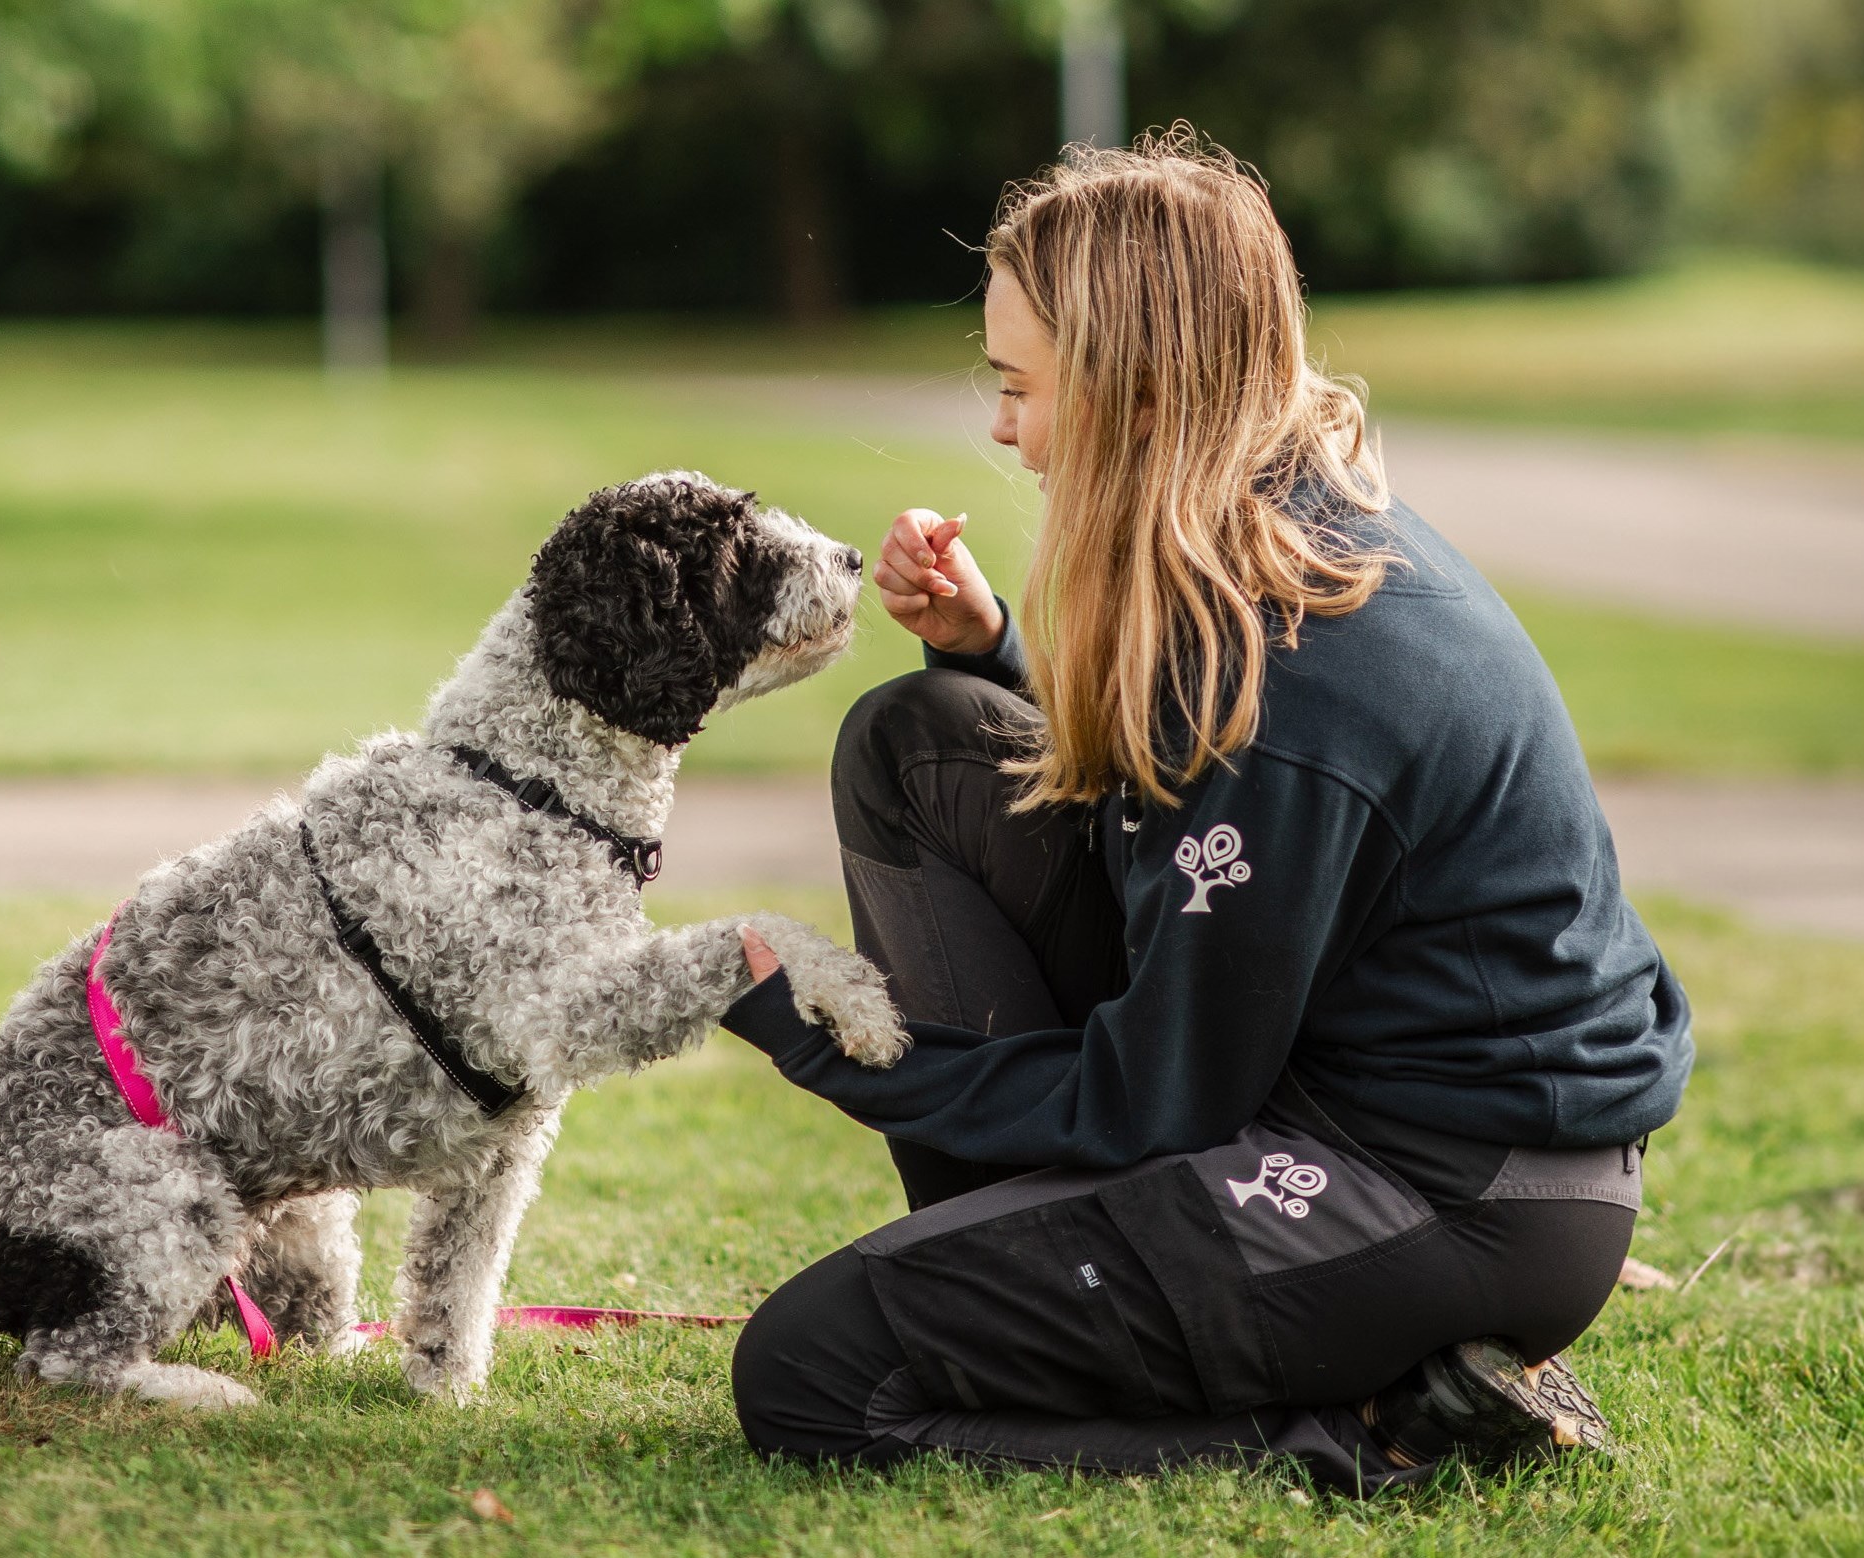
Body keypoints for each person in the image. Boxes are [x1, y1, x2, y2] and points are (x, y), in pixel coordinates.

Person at [723, 129, 1692, 1492]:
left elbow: (1151, 1101)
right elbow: (1183, 836)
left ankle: (1378, 1435)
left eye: (1020, 386)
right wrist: (993, 656)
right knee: (922, 741)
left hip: (1454, 1195)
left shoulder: (1293, 672)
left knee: (812, 1372)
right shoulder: (1268, 535)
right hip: (1318, 1097)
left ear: (1134, 391)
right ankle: (1030, 1260)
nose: (1002, 429)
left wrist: (816, 1029)